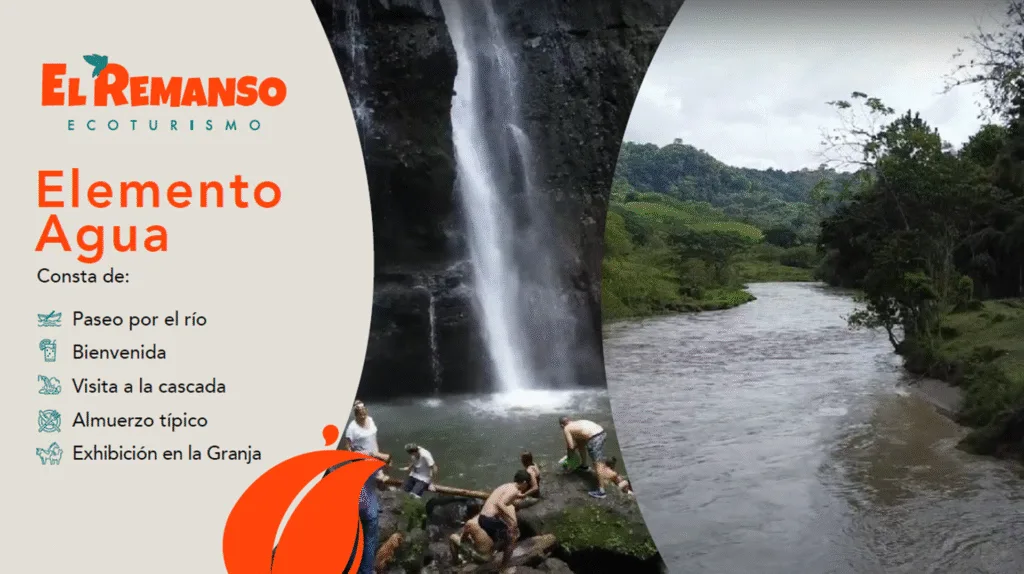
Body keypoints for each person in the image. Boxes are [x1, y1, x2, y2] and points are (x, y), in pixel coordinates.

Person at [459, 470, 532, 569]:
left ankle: (490, 553)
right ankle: (503, 568)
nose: (526, 488)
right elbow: (500, 503)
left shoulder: (507, 486)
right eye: (527, 485)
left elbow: (504, 498)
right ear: (524, 482)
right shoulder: (514, 490)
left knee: (503, 535)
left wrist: (520, 496)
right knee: (512, 538)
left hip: (483, 518)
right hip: (489, 519)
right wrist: (513, 520)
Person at [559, 416, 611, 499]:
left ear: (562, 425)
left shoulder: (567, 428)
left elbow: (571, 446)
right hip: (601, 432)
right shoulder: (577, 423)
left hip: (595, 438)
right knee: (580, 443)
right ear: (570, 420)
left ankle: (601, 492)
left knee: (598, 463)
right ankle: (584, 465)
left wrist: (569, 456)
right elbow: (580, 443)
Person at [342, 401, 391, 465]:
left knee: (387, 461)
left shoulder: (370, 420)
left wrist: (377, 452)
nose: (363, 416)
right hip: (362, 460)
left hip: (375, 456)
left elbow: (373, 437)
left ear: (366, 411)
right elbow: (348, 446)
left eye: (364, 413)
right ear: (356, 414)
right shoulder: (352, 428)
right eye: (360, 414)